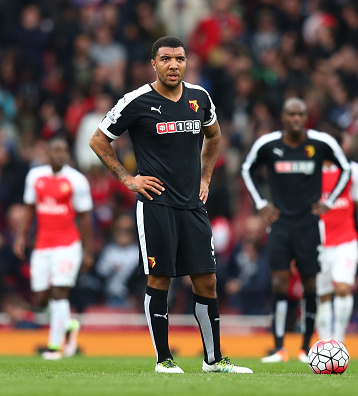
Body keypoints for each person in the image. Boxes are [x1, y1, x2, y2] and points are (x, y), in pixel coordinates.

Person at [89, 36, 251, 374]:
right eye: (165, 59)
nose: (173, 65)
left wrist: (205, 178)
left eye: (179, 58)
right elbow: (99, 139)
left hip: (192, 205)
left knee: (206, 280)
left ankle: (213, 360)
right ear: (154, 64)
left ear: (186, 61)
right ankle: (164, 360)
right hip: (155, 205)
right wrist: (128, 179)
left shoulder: (199, 97)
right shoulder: (136, 101)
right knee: (160, 279)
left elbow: (215, 135)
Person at [241, 98, 351, 363]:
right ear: (283, 116)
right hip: (279, 223)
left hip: (309, 224)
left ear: (306, 116)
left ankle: (304, 348)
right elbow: (246, 169)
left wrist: (329, 201)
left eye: (301, 114)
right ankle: (279, 347)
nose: (296, 119)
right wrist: (261, 204)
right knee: (279, 283)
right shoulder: (268, 145)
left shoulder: (320, 143)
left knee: (310, 284)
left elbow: (345, 169)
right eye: (291, 114)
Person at [13, 137, 93, 360]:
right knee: (40, 299)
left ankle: (54, 347)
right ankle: (68, 324)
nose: (61, 154)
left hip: (68, 244)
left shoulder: (77, 180)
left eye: (64, 150)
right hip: (42, 245)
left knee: (59, 291)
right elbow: (29, 209)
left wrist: (88, 252)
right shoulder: (35, 176)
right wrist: (20, 236)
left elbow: (85, 218)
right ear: (47, 154)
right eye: (56, 151)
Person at [316, 133, 358, 343]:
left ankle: (339, 342)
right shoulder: (312, 171)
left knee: (343, 287)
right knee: (323, 295)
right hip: (318, 243)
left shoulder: (353, 170)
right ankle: (324, 342)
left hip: (346, 240)